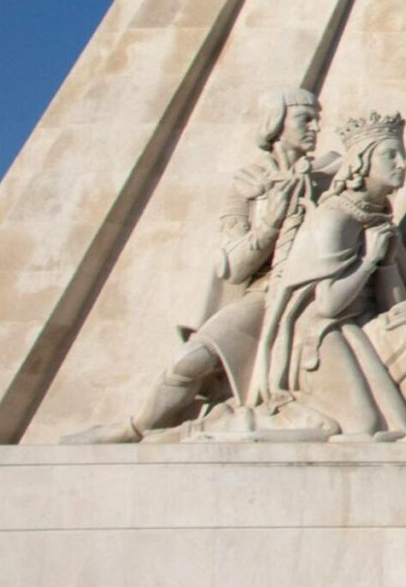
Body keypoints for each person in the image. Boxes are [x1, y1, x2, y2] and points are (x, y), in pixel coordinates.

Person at [64, 88, 330, 443]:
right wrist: (270, 223)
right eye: (304, 119)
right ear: (278, 125)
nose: (314, 127)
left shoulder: (329, 178)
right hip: (263, 293)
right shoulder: (246, 187)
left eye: (316, 119)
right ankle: (138, 428)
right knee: (188, 362)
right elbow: (234, 266)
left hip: (309, 295)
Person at [255, 111, 406, 440]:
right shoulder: (335, 219)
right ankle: (238, 425)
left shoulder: (378, 217)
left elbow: (405, 296)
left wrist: (396, 274)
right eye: (389, 155)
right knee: (362, 426)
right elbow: (327, 306)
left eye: (402, 154)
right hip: (321, 335)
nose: (400, 162)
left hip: (366, 323)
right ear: (361, 162)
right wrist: (370, 260)